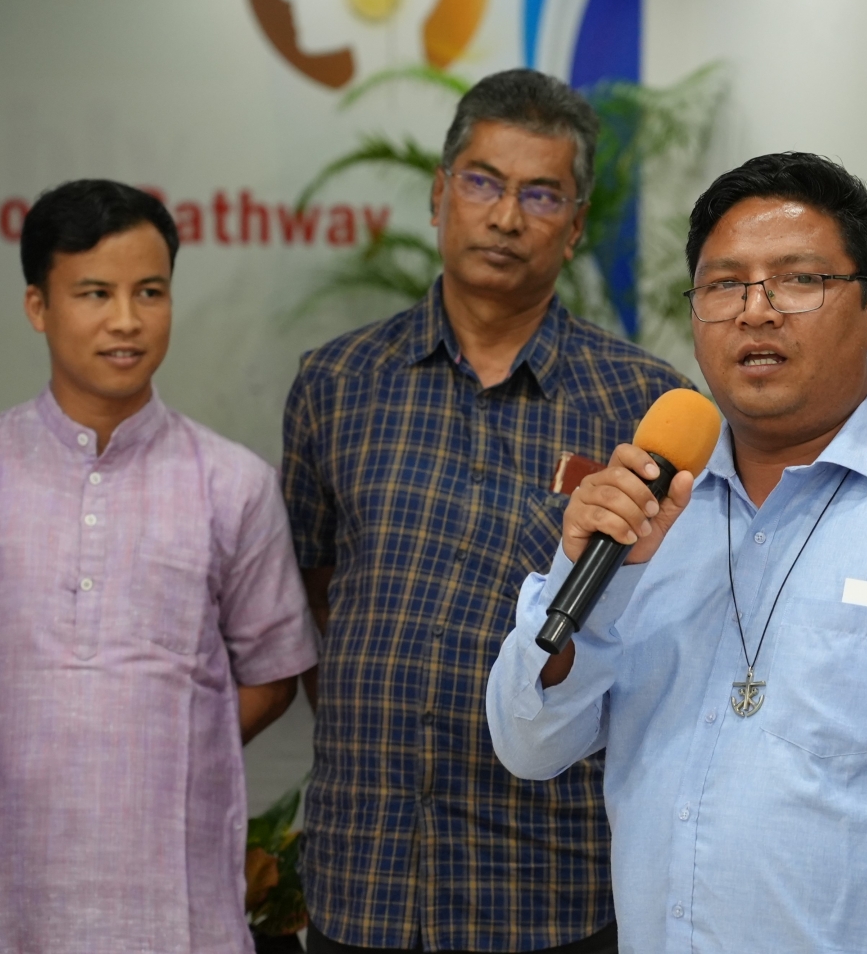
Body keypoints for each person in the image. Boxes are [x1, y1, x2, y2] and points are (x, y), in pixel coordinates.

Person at [487, 152, 867, 954]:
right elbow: (529, 746)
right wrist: (587, 576)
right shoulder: (645, 519)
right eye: (724, 285)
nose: (757, 311)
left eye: (799, 280)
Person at [283, 69, 690, 953]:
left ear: (575, 227)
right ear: (439, 195)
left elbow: (658, 634)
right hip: (364, 868)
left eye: (540, 194)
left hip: (546, 880)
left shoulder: (640, 402)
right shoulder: (337, 382)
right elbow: (317, 595)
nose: (506, 217)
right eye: (483, 182)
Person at [0, 179, 319, 953]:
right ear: (38, 307)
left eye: (149, 292)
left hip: (170, 906)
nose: (126, 320)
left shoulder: (231, 485)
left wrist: (169, 742)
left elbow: (273, 674)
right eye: (95, 293)